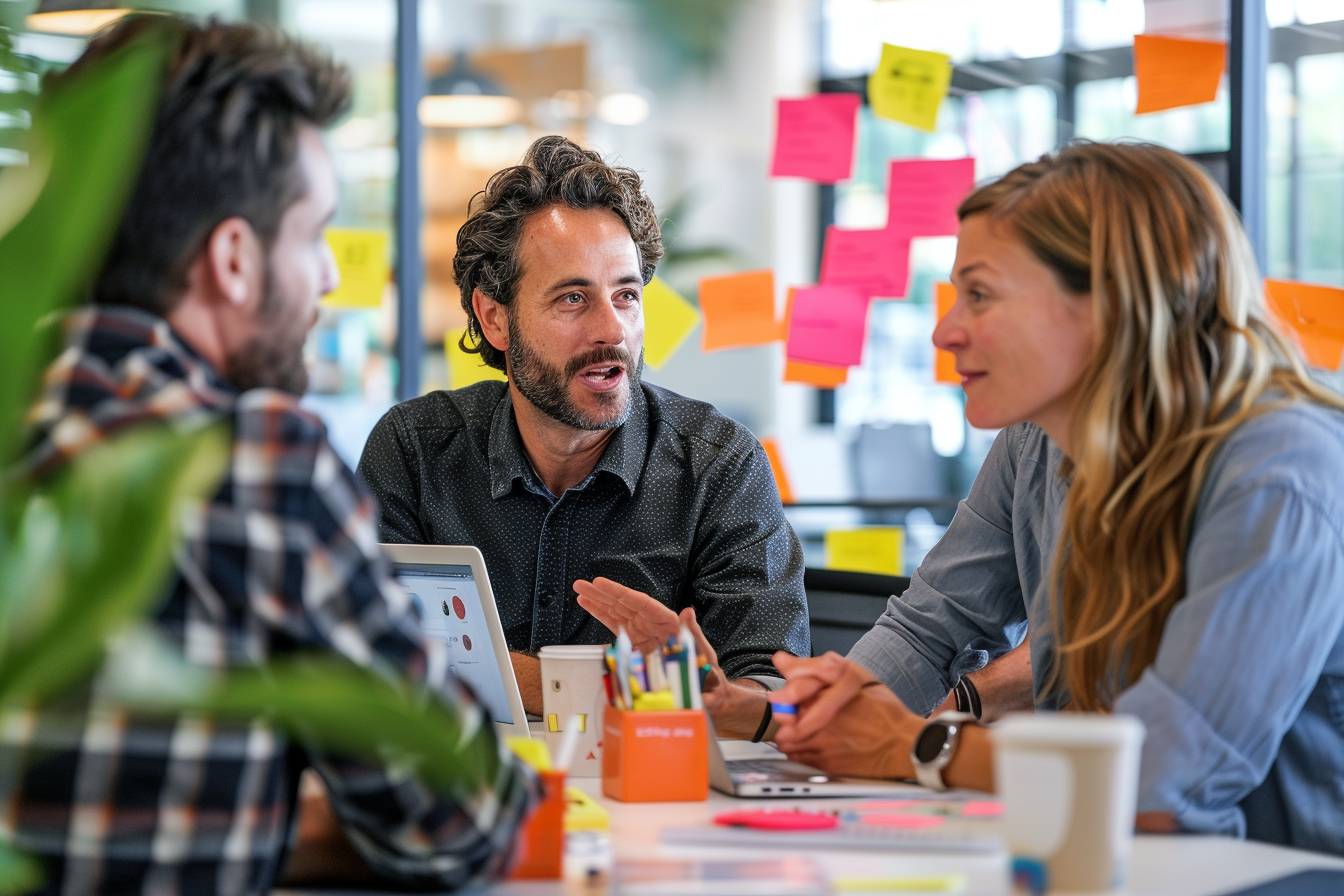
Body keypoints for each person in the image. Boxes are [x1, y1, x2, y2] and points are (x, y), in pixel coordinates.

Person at [2, 16, 534, 894]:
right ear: (235, 261)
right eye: (314, 231)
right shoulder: (250, 463)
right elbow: (465, 823)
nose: (328, 275)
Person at [771, 141, 1344, 857]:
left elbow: (1162, 781)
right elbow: (930, 627)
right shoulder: (1040, 439)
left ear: (1108, 301)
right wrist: (807, 714)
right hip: (1092, 858)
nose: (945, 330)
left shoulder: (1278, 470)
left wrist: (915, 745)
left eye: (979, 294)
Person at [357, 135, 810, 739]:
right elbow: (360, 655)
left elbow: (774, 687)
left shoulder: (717, 463)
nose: (612, 329)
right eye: (573, 298)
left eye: (626, 295)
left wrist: (715, 693)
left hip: (656, 803)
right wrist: (605, 682)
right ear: (495, 318)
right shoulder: (415, 450)